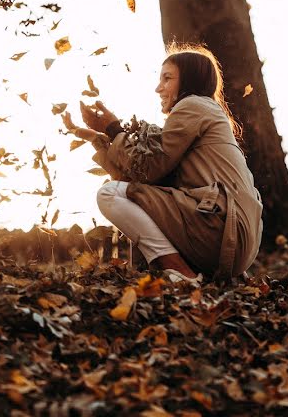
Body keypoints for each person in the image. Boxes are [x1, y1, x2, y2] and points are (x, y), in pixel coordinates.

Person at [66, 45, 263, 283]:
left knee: (109, 194)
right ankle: (191, 273)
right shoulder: (204, 112)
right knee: (122, 192)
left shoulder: (193, 105)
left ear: (189, 80)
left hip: (222, 235)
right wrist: (99, 138)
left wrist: (114, 129)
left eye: (167, 79)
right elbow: (136, 179)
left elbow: (148, 170)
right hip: (230, 240)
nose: (158, 88)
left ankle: (181, 274)